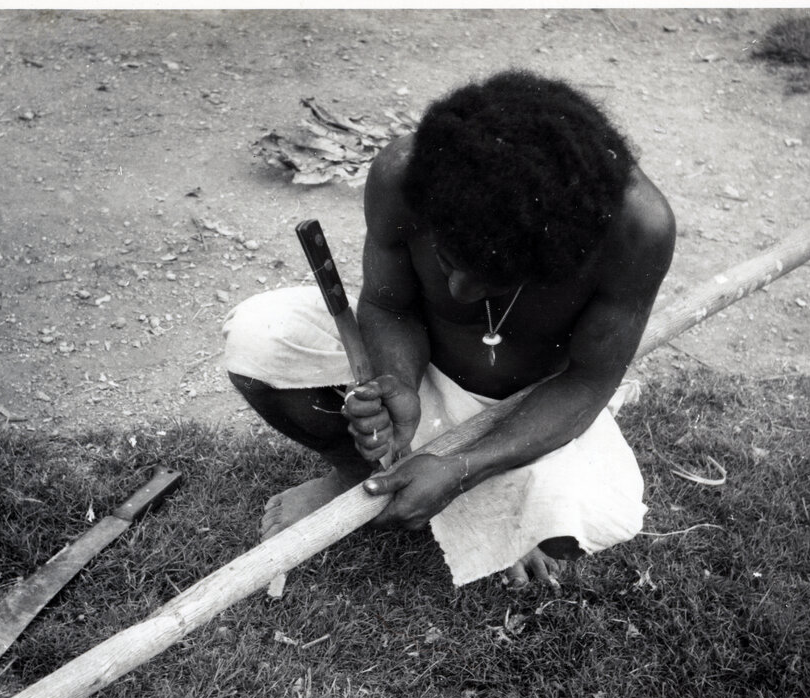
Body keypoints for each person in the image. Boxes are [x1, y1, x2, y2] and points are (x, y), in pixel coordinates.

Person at [223, 70, 675, 587]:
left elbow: (586, 383)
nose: (458, 290)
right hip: (428, 367)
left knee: (591, 513)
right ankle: (360, 477)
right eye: (445, 259)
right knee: (259, 335)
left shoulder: (637, 231)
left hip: (525, 406)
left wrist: (464, 468)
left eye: (493, 282)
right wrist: (397, 383)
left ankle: (484, 512)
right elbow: (389, 305)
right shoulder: (403, 173)